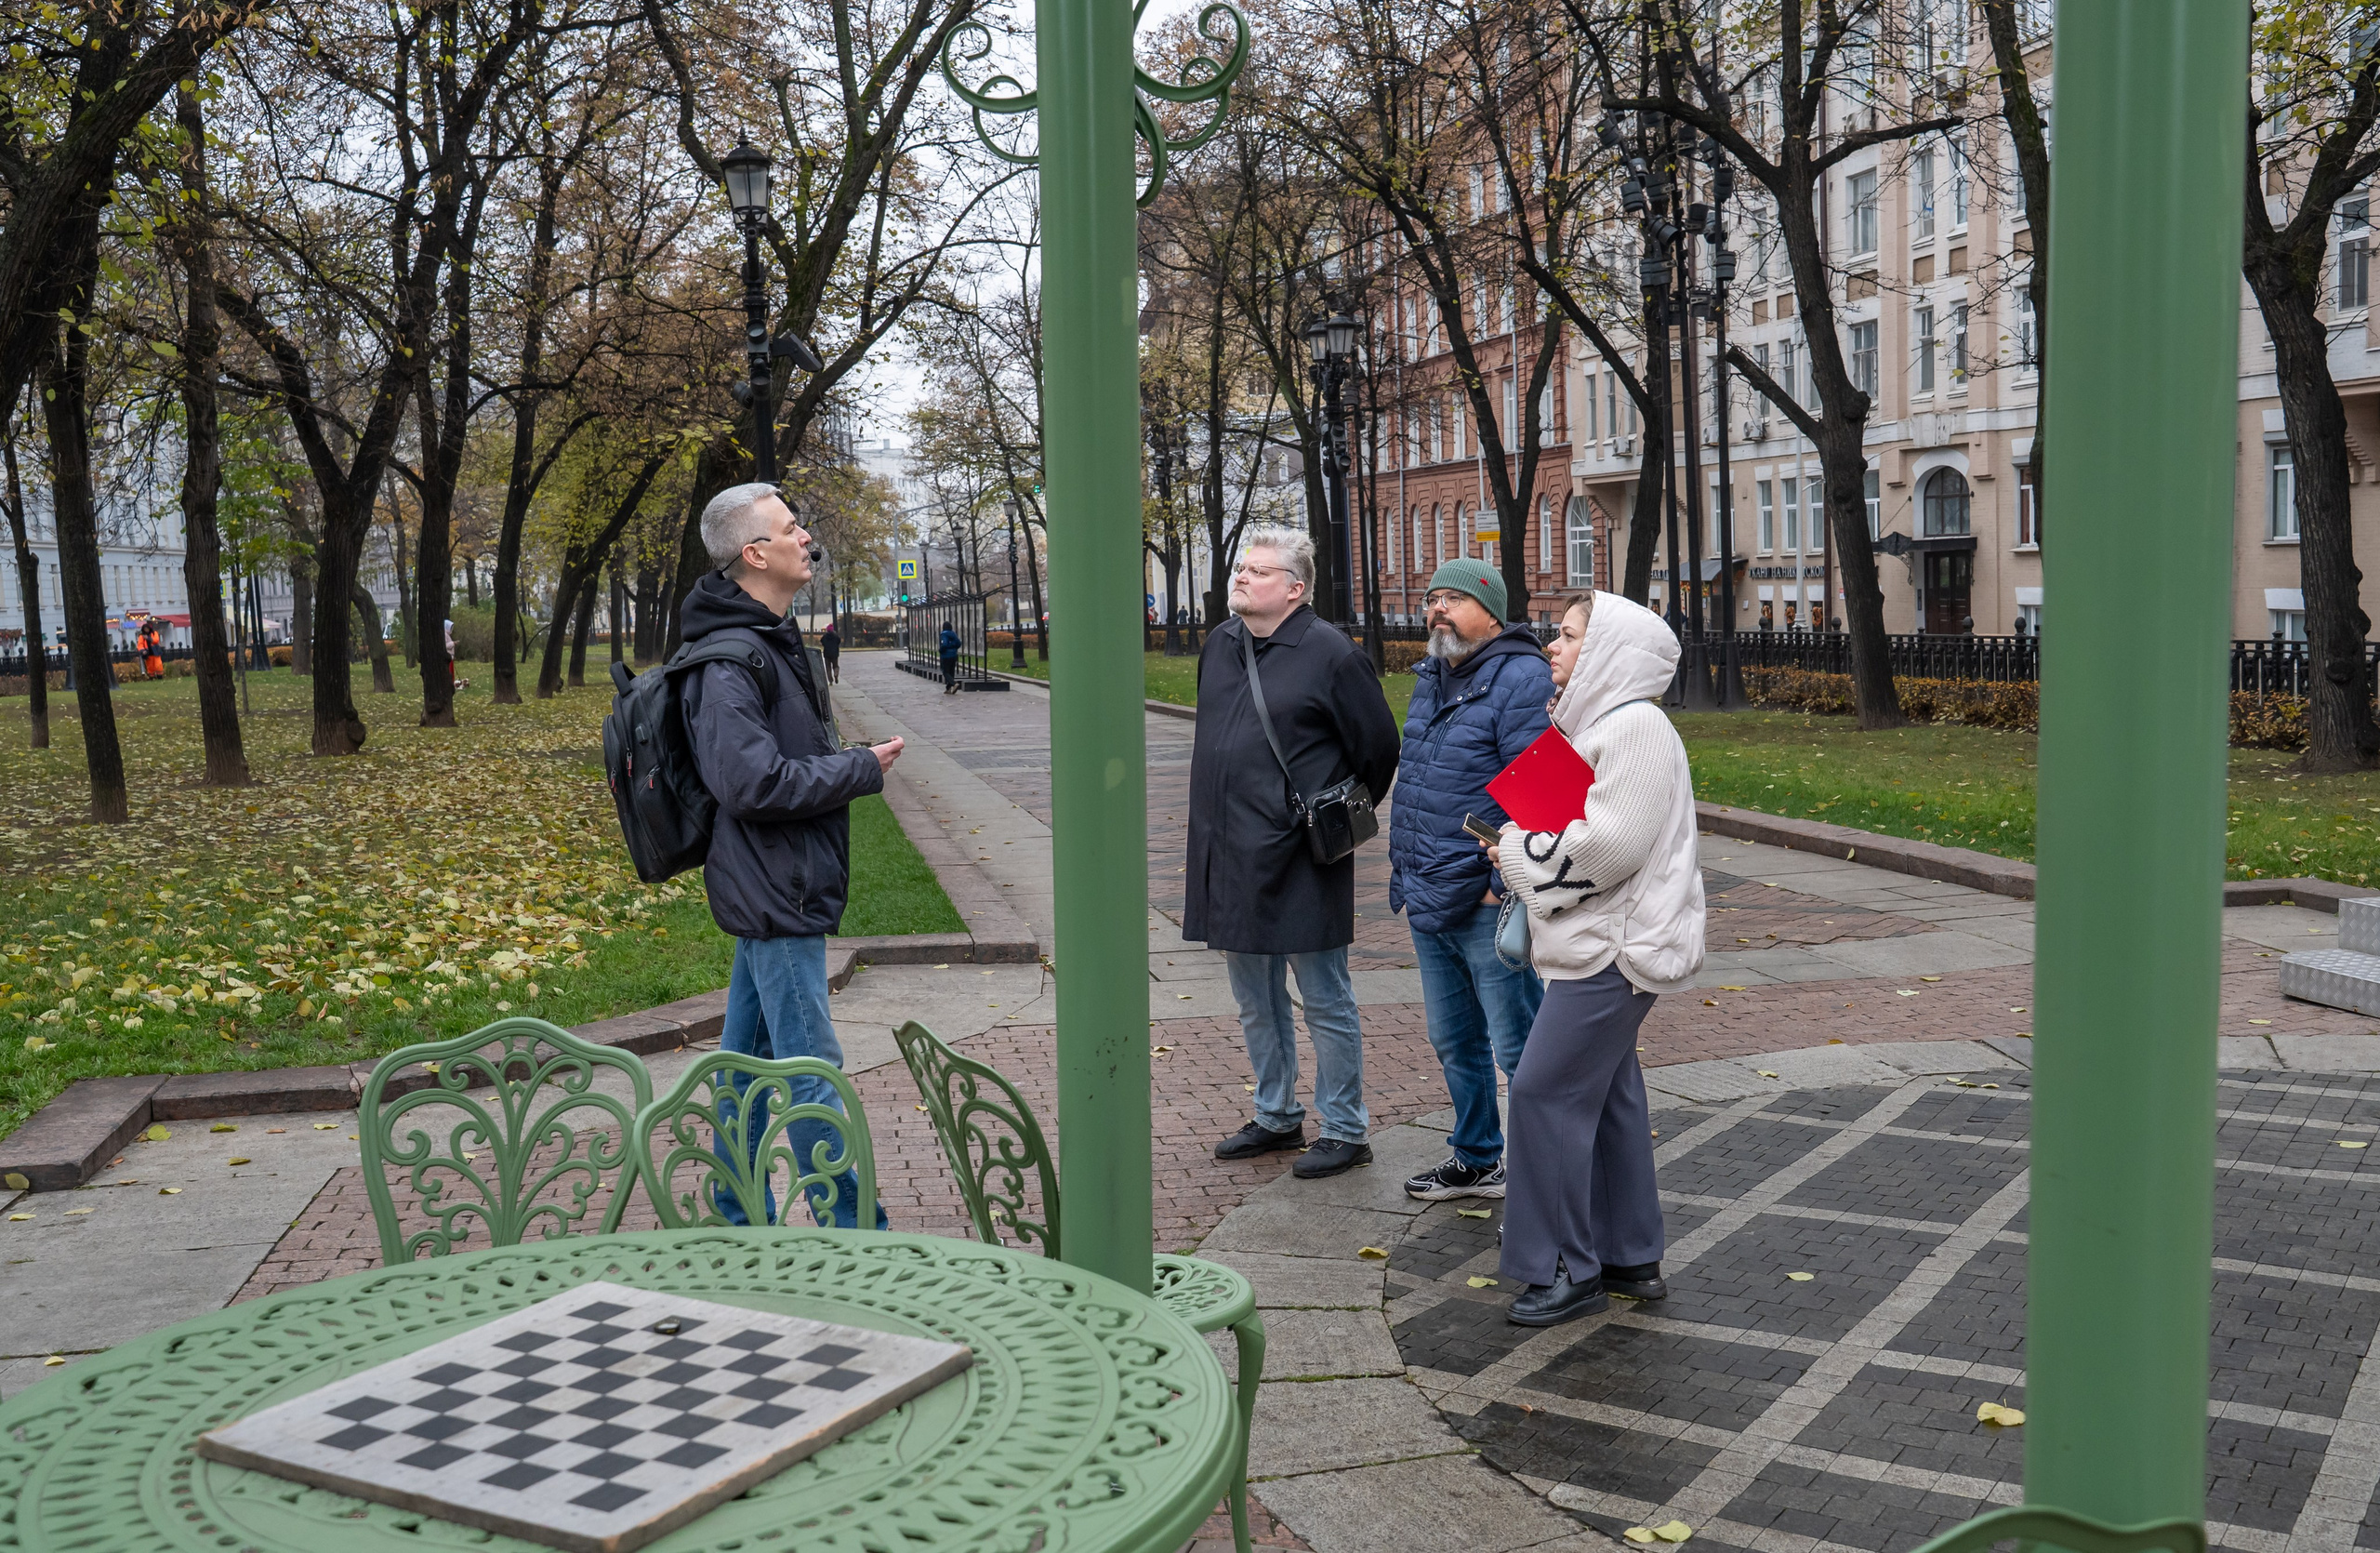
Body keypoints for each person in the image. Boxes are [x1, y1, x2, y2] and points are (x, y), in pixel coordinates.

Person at [681, 482, 906, 1228]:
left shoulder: (769, 643)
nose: (805, 536)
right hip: (778, 891)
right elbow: (751, 783)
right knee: (811, 1075)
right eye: (790, 527)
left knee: (744, 1072)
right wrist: (861, 767)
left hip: (777, 886)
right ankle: (855, 1236)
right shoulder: (730, 662)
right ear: (754, 553)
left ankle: (736, 1218)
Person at [1491, 591, 1706, 1324]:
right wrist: (1516, 841)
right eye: (1556, 634)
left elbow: (1608, 848)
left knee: (1544, 1093)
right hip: (1597, 943)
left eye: (1571, 636)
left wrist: (1516, 855)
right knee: (1609, 1096)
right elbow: (1538, 820)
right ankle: (1628, 1254)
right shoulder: (1590, 725)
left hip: (1613, 949)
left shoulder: (1636, 728)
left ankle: (1562, 1267)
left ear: (1610, 652)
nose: (1553, 646)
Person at [1185, 526, 1401, 1179]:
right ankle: (1276, 1114)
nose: (1242, 578)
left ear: (1295, 588)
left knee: (1324, 995)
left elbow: (1378, 748)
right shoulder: (1222, 644)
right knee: (1255, 996)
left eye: (1258, 571)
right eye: (1241, 568)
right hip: (1228, 848)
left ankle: (1344, 1129)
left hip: (1302, 851)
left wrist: (1324, 813)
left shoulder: (1332, 654)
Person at [1387, 559, 1552, 1201]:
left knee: (1521, 1048)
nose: (1437, 610)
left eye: (1453, 598)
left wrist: (1502, 884)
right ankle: (1478, 1156)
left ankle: (1551, 1171)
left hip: (1486, 897)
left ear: (1490, 608)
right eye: (1432, 599)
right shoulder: (1433, 676)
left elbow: (1542, 792)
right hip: (1429, 890)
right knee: (1454, 1040)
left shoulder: (1521, 676)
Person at [937, 621, 960, 693]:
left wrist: (941, 650)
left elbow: (944, 644)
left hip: (946, 656)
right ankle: (949, 688)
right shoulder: (953, 634)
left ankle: (954, 684)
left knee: (945, 672)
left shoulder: (943, 634)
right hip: (954, 655)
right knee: (951, 672)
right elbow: (959, 643)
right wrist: (953, 647)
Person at [820, 620, 841, 684]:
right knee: (836, 666)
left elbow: (822, 642)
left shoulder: (825, 636)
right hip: (835, 654)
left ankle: (830, 680)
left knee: (828, 668)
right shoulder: (836, 636)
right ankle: (836, 674)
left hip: (827, 654)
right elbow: (839, 642)